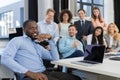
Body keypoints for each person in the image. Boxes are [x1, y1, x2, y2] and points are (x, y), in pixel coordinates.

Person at [1, 20, 81, 80]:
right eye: (32, 28)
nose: (35, 30)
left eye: (36, 28)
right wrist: (30, 73)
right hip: (29, 76)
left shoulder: (37, 44)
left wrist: (50, 39)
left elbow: (55, 58)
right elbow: (5, 58)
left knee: (75, 78)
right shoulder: (17, 40)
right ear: (24, 30)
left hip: (44, 72)